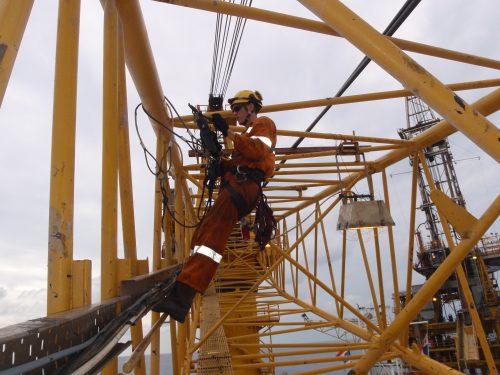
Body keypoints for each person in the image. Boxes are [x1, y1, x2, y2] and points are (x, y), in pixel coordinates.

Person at [153, 90, 277, 322]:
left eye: (238, 109)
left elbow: (257, 151)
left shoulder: (263, 123)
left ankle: (182, 297)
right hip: (238, 186)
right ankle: (185, 280)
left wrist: (226, 130)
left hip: (242, 188)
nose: (235, 114)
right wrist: (220, 164)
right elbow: (243, 160)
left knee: (210, 240)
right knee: (202, 235)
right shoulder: (249, 133)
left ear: (251, 107)